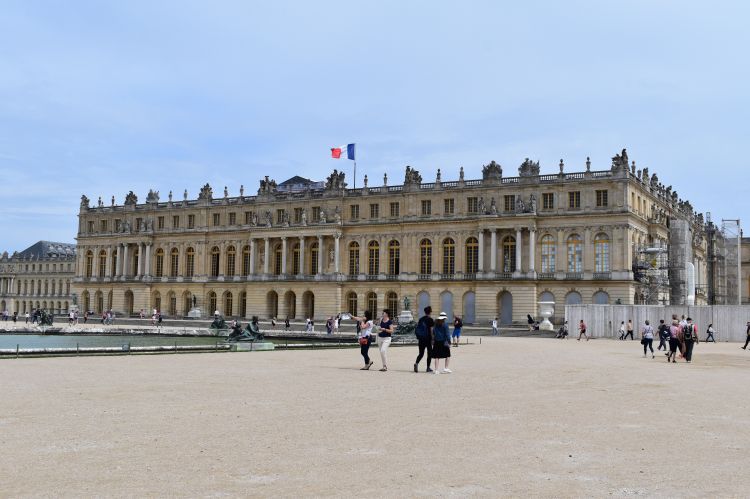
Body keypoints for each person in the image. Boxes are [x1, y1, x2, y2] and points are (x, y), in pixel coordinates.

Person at [414, 306, 434, 373]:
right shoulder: (430, 319)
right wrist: (433, 338)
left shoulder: (421, 319)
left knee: (421, 353)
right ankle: (428, 368)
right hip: (428, 338)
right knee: (429, 353)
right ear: (430, 312)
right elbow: (431, 330)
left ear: (424, 312)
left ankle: (416, 363)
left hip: (421, 338)